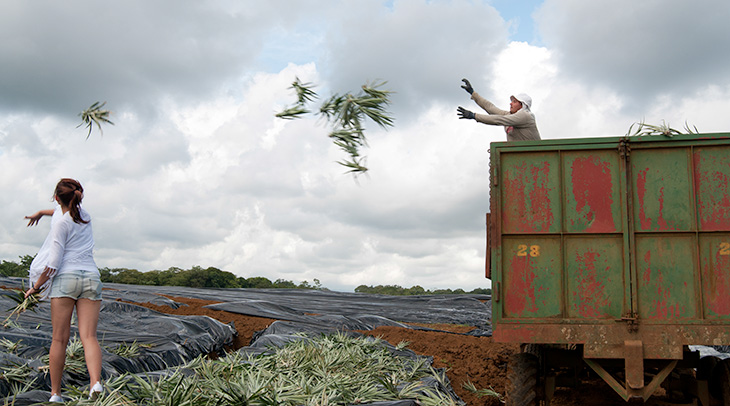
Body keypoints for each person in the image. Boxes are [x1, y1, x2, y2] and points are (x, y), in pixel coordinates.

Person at [24, 178, 103, 403]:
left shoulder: (61, 223)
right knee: (89, 336)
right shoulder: (85, 215)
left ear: (57, 197)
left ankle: (55, 394)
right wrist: (42, 212)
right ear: (79, 196)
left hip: (66, 280)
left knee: (59, 339)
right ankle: (95, 383)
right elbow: (63, 209)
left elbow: (53, 263)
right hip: (91, 278)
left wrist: (36, 287)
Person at [457, 78, 541, 141]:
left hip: (534, 158)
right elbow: (490, 108)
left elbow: (499, 119)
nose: (510, 103)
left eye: (514, 102)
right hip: (519, 158)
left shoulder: (525, 116)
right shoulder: (509, 115)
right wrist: (473, 93)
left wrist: (474, 116)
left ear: (522, 105)